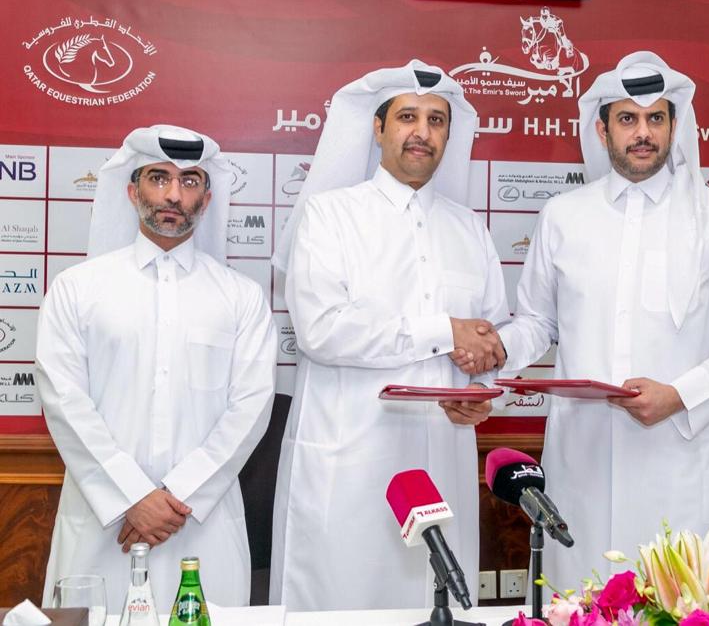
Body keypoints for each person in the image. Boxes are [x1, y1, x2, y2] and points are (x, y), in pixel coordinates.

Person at [495, 51, 709, 587]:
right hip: (584, 458)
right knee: (580, 602)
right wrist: (497, 349)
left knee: (679, 608)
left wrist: (680, 395)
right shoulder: (563, 216)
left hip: (679, 458)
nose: (642, 133)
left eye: (655, 118)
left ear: (674, 126)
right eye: (627, 119)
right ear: (602, 130)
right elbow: (537, 322)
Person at [269, 60, 508, 611]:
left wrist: (480, 391)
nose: (422, 132)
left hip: (444, 458)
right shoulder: (329, 216)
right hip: (353, 462)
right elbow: (321, 331)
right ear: (378, 129)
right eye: (407, 117)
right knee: (346, 604)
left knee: (436, 602)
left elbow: (487, 334)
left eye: (436, 120)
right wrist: (440, 331)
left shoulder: (469, 227)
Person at [37, 125, 278, 610]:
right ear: (132, 191)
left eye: (189, 181)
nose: (173, 194)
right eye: (158, 178)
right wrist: (132, 496)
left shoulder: (241, 297)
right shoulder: (77, 289)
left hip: (200, 523)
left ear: (206, 199)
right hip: (104, 521)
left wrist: (176, 496)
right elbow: (65, 401)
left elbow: (250, 408)